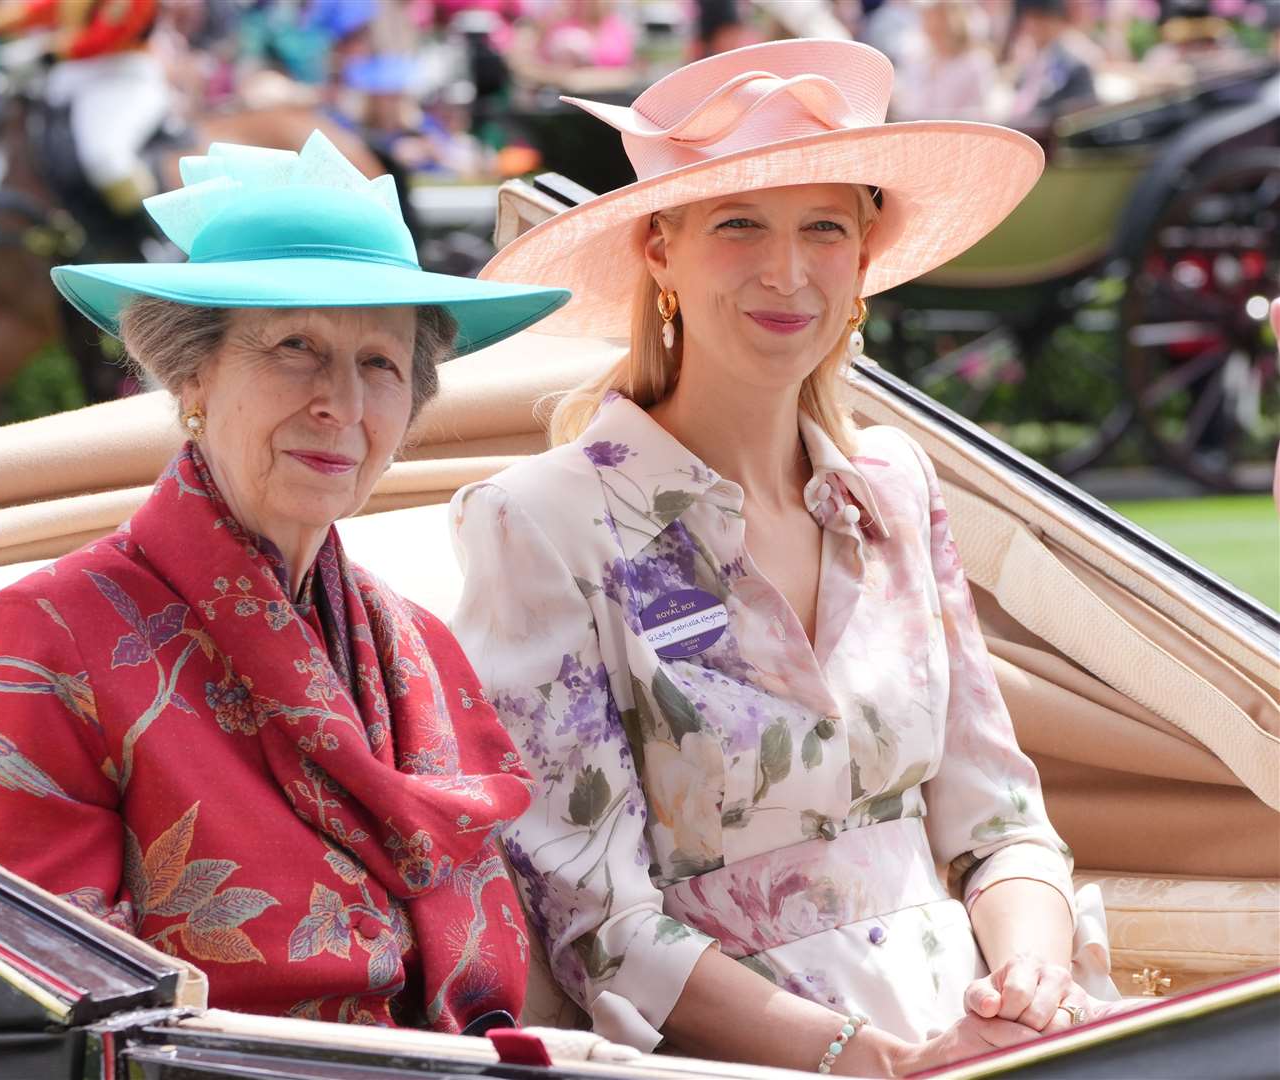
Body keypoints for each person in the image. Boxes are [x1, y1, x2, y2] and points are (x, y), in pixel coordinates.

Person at [450, 39, 1122, 1076]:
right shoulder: (542, 519)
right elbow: (597, 923)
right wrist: (873, 1061)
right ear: (659, 252)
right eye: (737, 226)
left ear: (863, 257)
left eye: (823, 227)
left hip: (990, 1034)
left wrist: (1029, 982)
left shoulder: (894, 487)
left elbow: (999, 822)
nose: (786, 271)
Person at [0, 131, 569, 1029]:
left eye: (379, 364)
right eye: (295, 346)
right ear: (192, 372)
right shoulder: (48, 634)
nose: (341, 404)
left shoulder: (422, 645)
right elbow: (39, 1011)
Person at [0, 0, 172, 214]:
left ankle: (153, 234)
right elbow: (50, 7)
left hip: (121, 80)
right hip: (74, 74)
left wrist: (45, 49)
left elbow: (104, 38)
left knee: (104, 158)